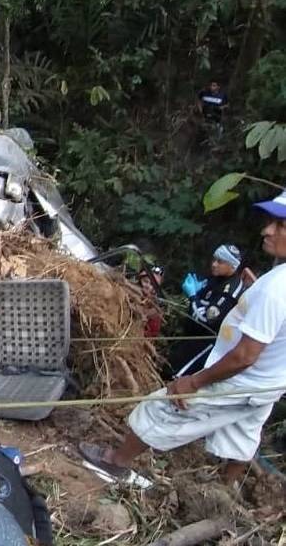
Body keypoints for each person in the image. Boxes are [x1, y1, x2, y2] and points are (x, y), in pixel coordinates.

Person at [80, 190, 286, 485]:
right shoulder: (275, 282)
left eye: (281, 225)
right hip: (268, 383)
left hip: (241, 378)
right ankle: (225, 492)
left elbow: (245, 356)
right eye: (271, 222)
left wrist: (195, 382)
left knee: (162, 407)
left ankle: (115, 463)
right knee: (243, 433)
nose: (267, 230)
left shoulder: (276, 289)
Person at [168, 244, 247, 376]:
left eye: (220, 262)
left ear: (232, 266)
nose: (214, 264)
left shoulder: (229, 292)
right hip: (191, 336)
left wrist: (193, 296)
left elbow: (206, 321)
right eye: (214, 259)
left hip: (207, 342)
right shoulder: (216, 278)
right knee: (168, 365)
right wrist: (198, 292)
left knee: (177, 374)